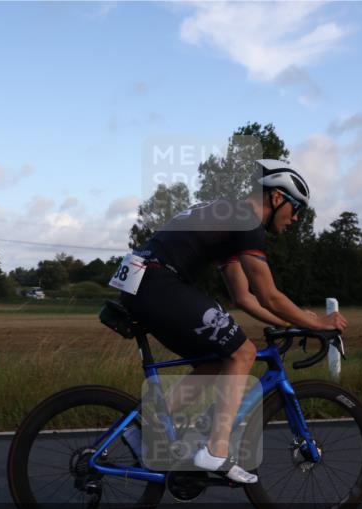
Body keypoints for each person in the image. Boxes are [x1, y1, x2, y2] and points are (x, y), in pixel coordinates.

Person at [117, 159, 348, 483]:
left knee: (217, 361)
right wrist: (318, 323)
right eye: (297, 209)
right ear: (277, 197)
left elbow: (244, 297)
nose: (296, 219)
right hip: (157, 281)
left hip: (140, 282)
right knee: (244, 353)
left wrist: (293, 323)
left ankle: (144, 432)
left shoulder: (229, 219)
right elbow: (269, 295)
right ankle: (215, 450)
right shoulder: (246, 222)